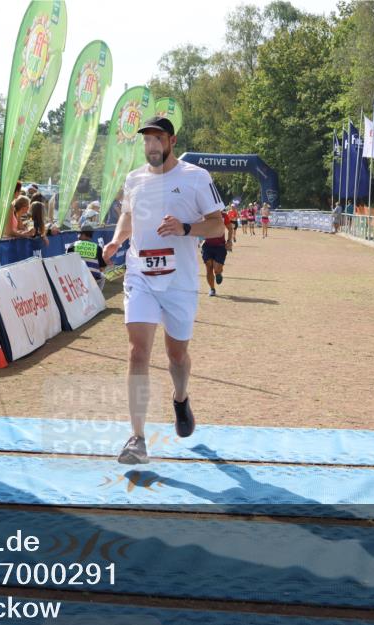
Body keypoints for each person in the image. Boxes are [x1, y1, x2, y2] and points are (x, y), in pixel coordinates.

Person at [101, 117, 225, 465]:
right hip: (140, 273)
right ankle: (137, 439)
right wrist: (115, 241)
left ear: (171, 141)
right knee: (137, 352)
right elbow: (129, 215)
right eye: (147, 141)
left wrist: (186, 227)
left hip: (180, 281)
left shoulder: (195, 177)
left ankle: (181, 398)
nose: (151, 146)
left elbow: (217, 222)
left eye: (157, 140)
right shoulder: (134, 179)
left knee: (176, 357)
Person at [202, 205, 234, 297]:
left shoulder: (223, 216)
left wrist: (229, 241)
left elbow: (230, 228)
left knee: (216, 269)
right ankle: (212, 289)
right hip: (207, 245)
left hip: (220, 246)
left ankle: (218, 273)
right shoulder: (206, 216)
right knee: (208, 266)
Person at [67, 222, 107, 289]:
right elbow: (102, 268)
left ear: (83, 234)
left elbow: (68, 264)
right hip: (93, 280)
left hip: (76, 278)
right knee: (102, 276)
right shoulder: (97, 248)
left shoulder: (72, 245)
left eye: (79, 233)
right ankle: (97, 296)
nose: (78, 235)